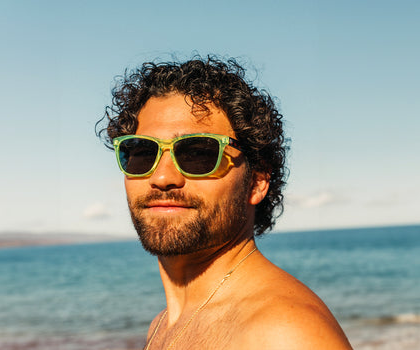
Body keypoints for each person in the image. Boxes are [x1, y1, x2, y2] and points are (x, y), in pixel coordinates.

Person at [98, 56, 352, 349]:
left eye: (197, 153)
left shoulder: (283, 332)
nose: (163, 177)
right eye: (142, 152)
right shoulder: (162, 326)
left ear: (256, 183)